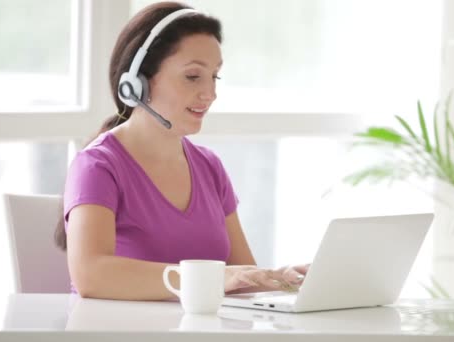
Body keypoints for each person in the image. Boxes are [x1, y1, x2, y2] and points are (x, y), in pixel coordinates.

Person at [54, 1, 308, 300]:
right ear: (138, 83)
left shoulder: (209, 166)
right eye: (192, 76)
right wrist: (209, 278)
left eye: (215, 76)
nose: (210, 94)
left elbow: (239, 274)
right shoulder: (97, 166)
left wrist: (285, 278)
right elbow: (91, 276)